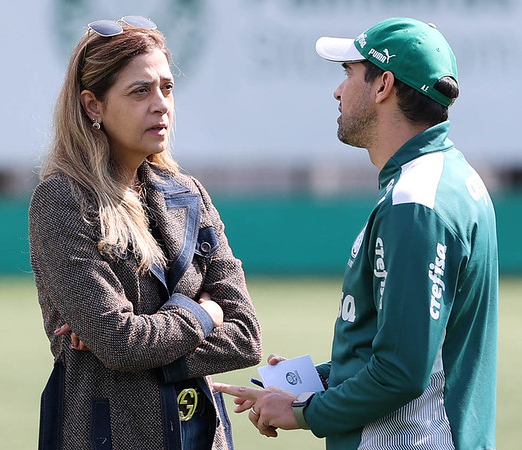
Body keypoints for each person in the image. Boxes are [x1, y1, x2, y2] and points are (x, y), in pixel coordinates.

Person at [213, 17, 498, 450]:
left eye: (348, 73)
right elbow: (406, 349)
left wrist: (302, 411)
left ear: (383, 85)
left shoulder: (415, 205)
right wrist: (315, 382)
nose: (337, 90)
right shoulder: (451, 179)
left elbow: (401, 372)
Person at [28, 15, 262, 450]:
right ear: (92, 105)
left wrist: (137, 339)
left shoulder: (190, 194)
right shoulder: (62, 199)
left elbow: (245, 337)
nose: (161, 104)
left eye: (167, 88)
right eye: (140, 91)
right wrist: (199, 315)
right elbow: (120, 343)